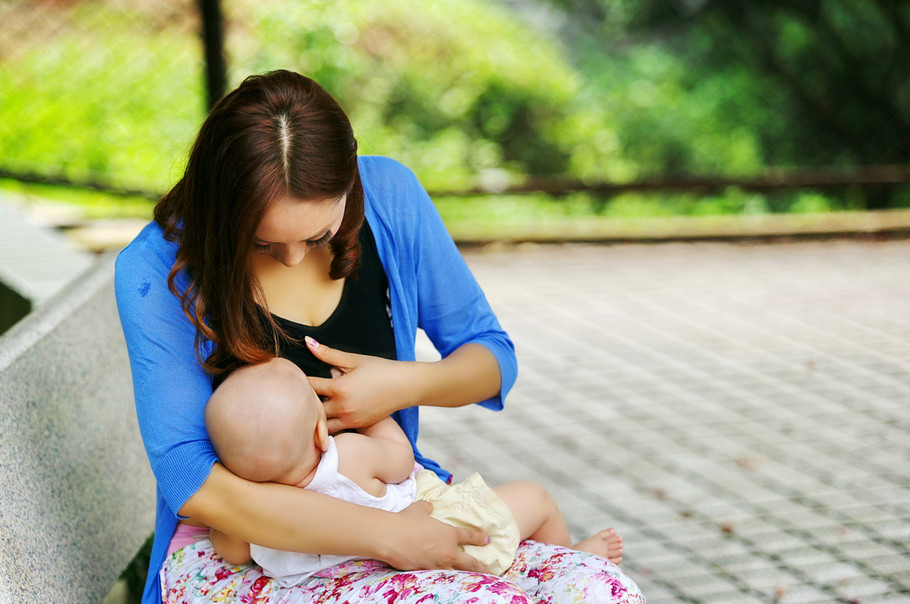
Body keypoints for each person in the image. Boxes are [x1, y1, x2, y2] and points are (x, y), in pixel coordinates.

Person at [115, 69, 646, 603]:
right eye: (261, 242)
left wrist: (402, 385)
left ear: (349, 185)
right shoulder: (160, 267)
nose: (295, 258)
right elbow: (190, 476)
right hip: (255, 552)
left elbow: (491, 357)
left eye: (318, 234)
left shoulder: (390, 197)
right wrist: (390, 537)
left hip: (395, 507)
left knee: (599, 590)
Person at [203, 358, 624, 585]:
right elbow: (401, 460)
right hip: (432, 536)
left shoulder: (254, 514)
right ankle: (565, 563)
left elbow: (233, 550)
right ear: (319, 428)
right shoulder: (346, 456)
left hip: (350, 585)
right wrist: (374, 417)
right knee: (535, 498)